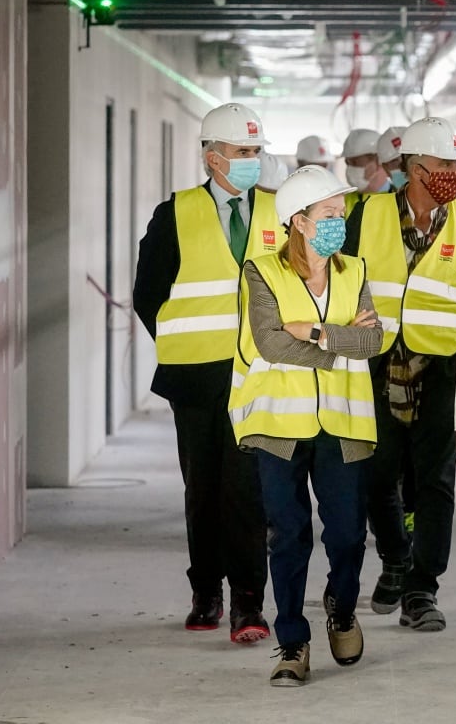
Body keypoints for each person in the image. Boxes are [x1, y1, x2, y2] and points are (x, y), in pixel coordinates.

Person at [133, 102, 284, 644]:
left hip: (259, 378)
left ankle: (248, 601)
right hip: (195, 379)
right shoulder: (174, 213)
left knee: (249, 491)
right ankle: (206, 590)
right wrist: (182, 342)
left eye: (255, 152)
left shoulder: (277, 212)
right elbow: (147, 295)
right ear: (212, 157)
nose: (251, 162)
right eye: (242, 153)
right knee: (202, 488)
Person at [228, 165, 383, 687]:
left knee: (345, 534)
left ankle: (341, 607)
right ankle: (292, 642)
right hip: (279, 424)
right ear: (299, 221)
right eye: (329, 214)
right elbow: (270, 342)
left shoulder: (354, 271)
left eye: (341, 213)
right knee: (288, 535)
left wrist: (314, 331)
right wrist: (338, 341)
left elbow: (373, 341)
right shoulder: (261, 272)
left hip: (343, 424)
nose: (339, 221)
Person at [343, 115, 456, 631]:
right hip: (376, 365)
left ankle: (422, 588)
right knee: (376, 476)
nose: (452, 172)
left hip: (443, 369)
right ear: (414, 166)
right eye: (443, 163)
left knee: (436, 482)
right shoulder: (365, 215)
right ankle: (394, 557)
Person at [342, 129, 387, 209]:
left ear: (379, 160)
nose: (350, 168)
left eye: (356, 162)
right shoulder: (342, 203)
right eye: (347, 162)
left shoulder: (403, 200)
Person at [377, 125, 408, 190]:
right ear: (385, 169)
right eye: (395, 162)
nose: (404, 167)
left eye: (408, 158)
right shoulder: (382, 199)